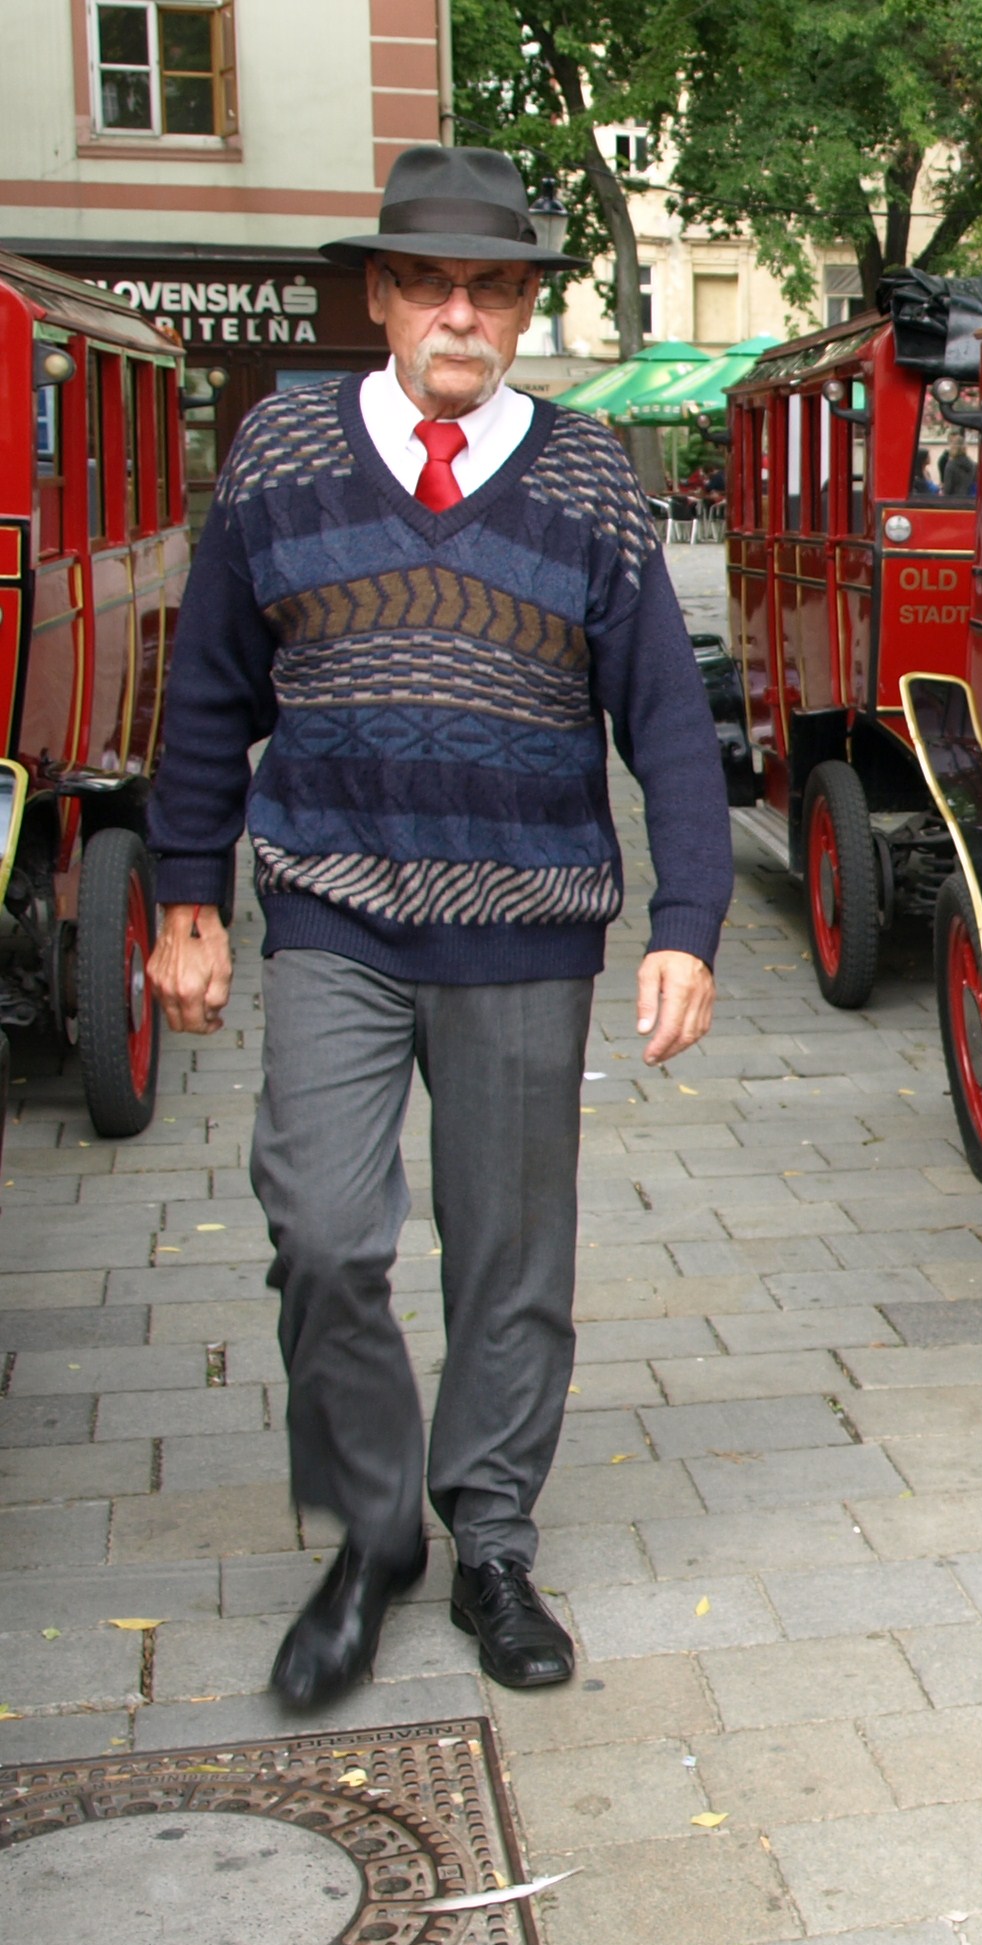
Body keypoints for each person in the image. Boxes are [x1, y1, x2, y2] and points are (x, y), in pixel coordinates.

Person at [145, 147, 734, 1707]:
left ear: (526, 308)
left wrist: (690, 918)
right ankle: (365, 1533)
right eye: (429, 283)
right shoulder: (279, 447)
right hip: (333, 909)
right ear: (381, 295)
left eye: (491, 288)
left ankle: (488, 1543)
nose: (458, 312)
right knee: (325, 1232)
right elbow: (207, 687)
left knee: (509, 1259)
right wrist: (184, 896)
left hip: (527, 925)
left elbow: (667, 719)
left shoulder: (593, 476)